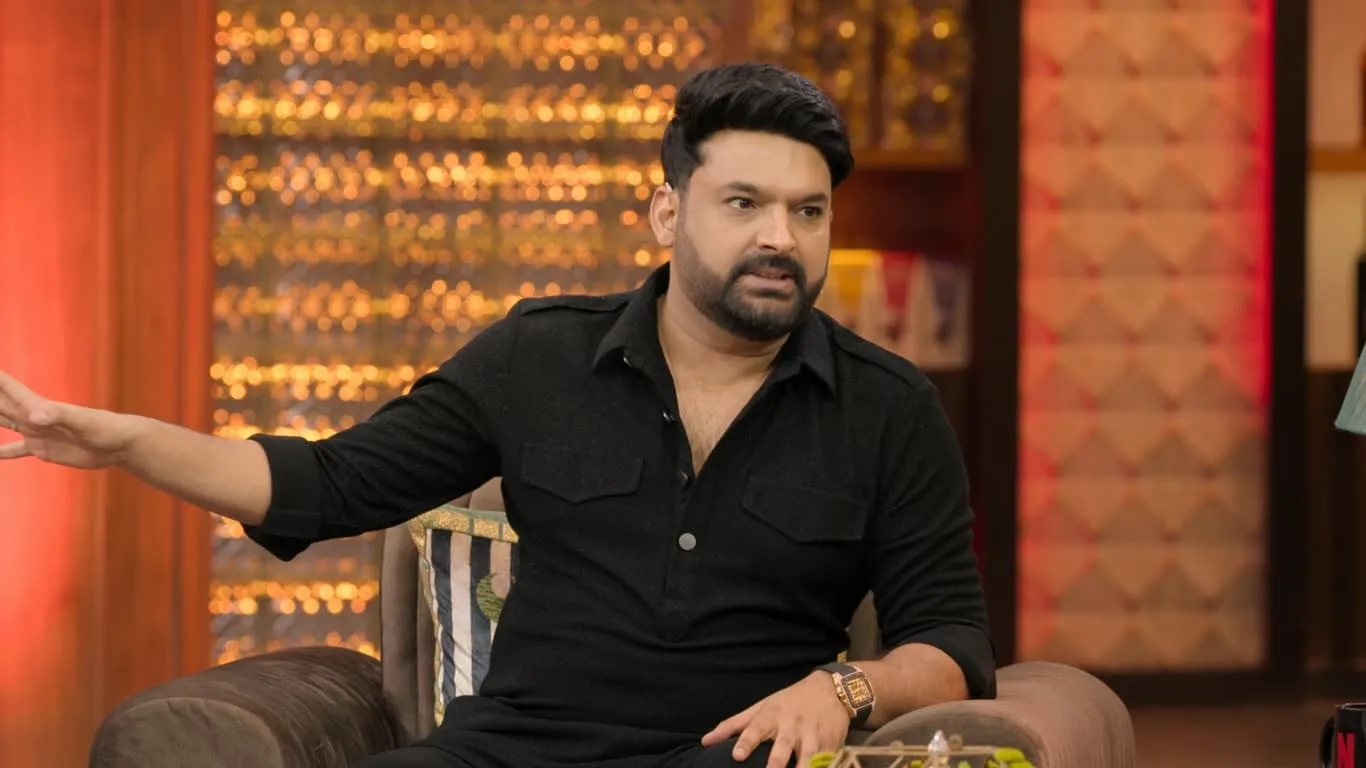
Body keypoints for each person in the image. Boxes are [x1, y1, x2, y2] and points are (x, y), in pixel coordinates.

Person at [0, 62, 994, 768]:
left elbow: (950, 647)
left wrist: (843, 689)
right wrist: (121, 441)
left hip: (731, 754)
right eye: (744, 204)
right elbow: (326, 484)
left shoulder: (889, 407)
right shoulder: (538, 356)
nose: (779, 237)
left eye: (807, 212)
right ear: (668, 213)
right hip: (512, 750)